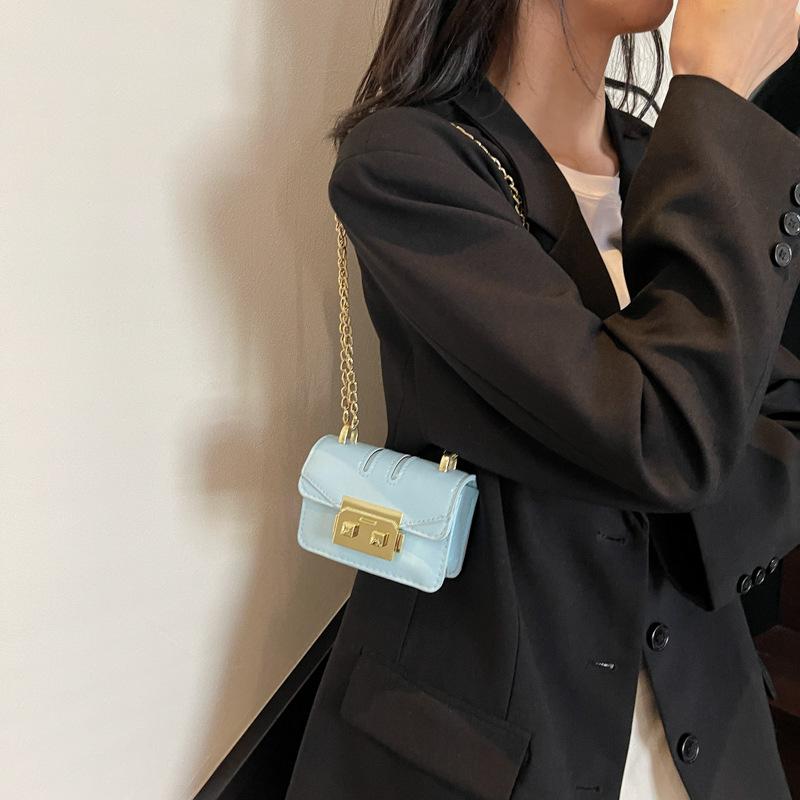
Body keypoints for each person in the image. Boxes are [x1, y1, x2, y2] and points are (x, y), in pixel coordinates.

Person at [286, 1, 800, 798]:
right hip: (495, 754)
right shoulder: (409, 165)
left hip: (709, 740)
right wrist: (720, 83)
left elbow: (779, 420)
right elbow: (666, 437)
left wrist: (673, 458)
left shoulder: (671, 160)